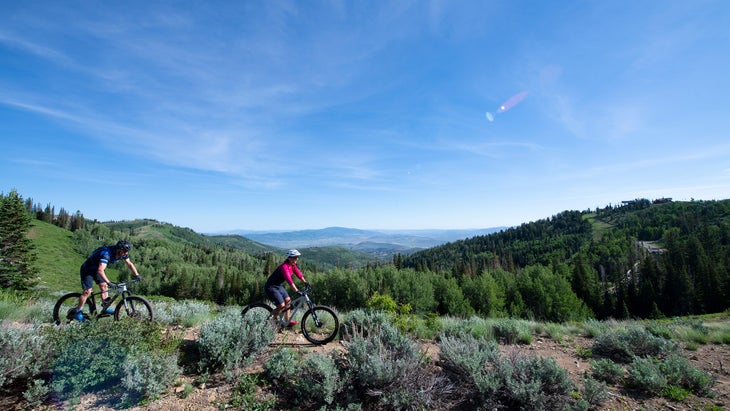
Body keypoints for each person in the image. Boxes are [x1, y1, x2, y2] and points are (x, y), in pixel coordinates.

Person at [74, 240, 141, 321]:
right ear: (119, 250)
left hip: (98, 269)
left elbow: (129, 264)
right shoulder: (106, 254)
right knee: (87, 291)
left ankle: (105, 307)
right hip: (87, 269)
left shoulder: (122, 253)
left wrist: (137, 275)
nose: (126, 253)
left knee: (104, 286)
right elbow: (100, 270)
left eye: (127, 251)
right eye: (125, 251)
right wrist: (109, 282)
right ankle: (77, 312)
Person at [265, 249, 308, 327]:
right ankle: (267, 323)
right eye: (295, 257)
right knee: (281, 306)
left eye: (297, 257)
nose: (297, 259)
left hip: (278, 285)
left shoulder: (292, 266)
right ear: (290, 258)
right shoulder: (284, 267)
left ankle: (287, 321)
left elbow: (299, 274)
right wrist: (297, 291)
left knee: (288, 301)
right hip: (271, 287)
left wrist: (305, 282)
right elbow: (289, 280)